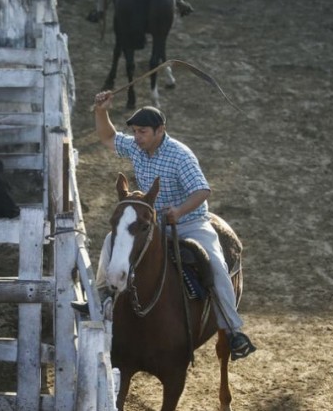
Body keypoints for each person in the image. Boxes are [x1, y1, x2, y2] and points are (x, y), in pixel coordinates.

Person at [72, 90, 256, 361]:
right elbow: (108, 138)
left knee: (216, 265)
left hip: (190, 223)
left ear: (160, 131)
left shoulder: (181, 156)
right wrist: (101, 111)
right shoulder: (137, 147)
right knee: (114, 239)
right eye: (135, 131)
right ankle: (100, 298)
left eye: (143, 131)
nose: (137, 137)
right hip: (154, 224)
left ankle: (233, 330)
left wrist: (179, 211)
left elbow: (202, 190)